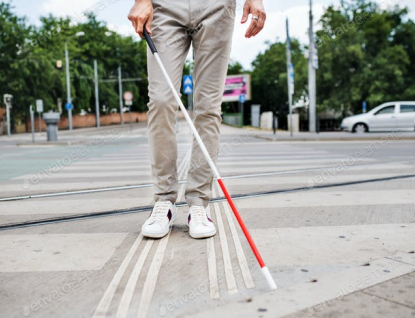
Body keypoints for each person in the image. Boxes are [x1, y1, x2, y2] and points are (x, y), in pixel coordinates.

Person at [128, 0, 266, 239]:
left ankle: (198, 204)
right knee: (161, 100)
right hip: (165, 6)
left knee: (208, 107)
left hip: (217, 6)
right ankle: (164, 201)